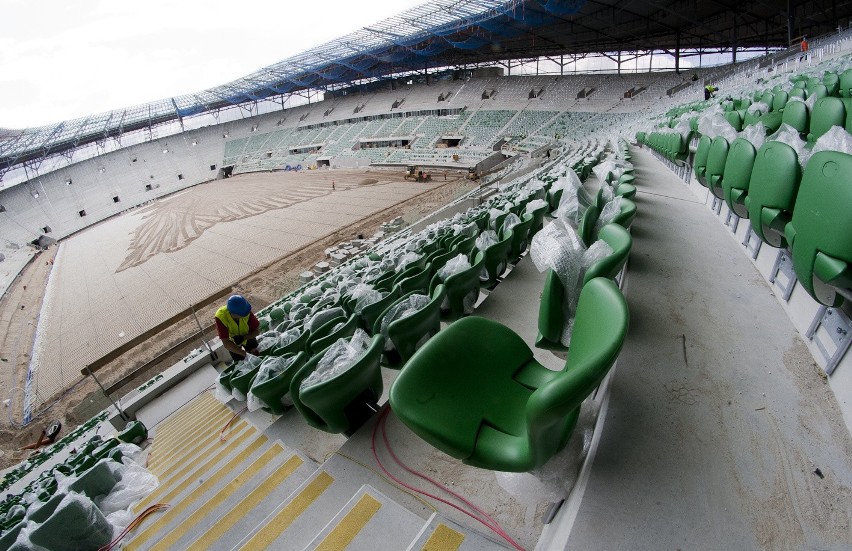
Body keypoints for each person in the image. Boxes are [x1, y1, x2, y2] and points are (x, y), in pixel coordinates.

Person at [215, 295, 260, 362]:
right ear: (232, 313)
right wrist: (245, 354)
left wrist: (244, 337)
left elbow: (257, 331)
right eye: (241, 314)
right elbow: (226, 343)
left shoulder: (245, 310)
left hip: (248, 336)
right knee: (240, 362)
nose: (244, 315)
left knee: (257, 354)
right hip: (232, 342)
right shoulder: (221, 316)